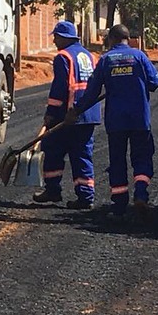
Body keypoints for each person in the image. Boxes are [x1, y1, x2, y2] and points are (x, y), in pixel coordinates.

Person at [76, 23, 158, 222]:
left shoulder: (106, 60)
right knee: (142, 157)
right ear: (128, 39)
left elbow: (92, 92)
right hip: (139, 118)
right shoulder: (139, 56)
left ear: (111, 39)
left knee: (117, 161)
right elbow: (155, 82)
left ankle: (119, 206)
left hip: (116, 121)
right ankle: (141, 194)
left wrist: (77, 110)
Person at [31, 21, 102, 209]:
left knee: (52, 148)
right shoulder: (91, 56)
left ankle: (53, 190)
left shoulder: (63, 57)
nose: (54, 41)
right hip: (89, 114)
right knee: (82, 154)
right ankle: (86, 196)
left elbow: (59, 88)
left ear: (64, 38)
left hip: (68, 115)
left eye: (56, 37)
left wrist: (51, 113)